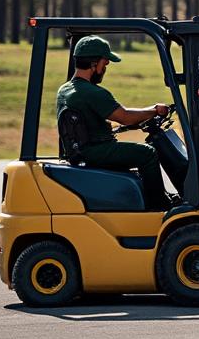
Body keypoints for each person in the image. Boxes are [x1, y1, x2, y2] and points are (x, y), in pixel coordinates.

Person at [56, 35, 176, 210]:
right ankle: (158, 205)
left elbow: (97, 121)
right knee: (147, 154)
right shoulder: (92, 92)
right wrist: (154, 110)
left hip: (82, 149)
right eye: (104, 64)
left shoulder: (65, 89)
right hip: (94, 151)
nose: (105, 69)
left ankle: (153, 196)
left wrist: (145, 115)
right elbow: (124, 116)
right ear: (93, 64)